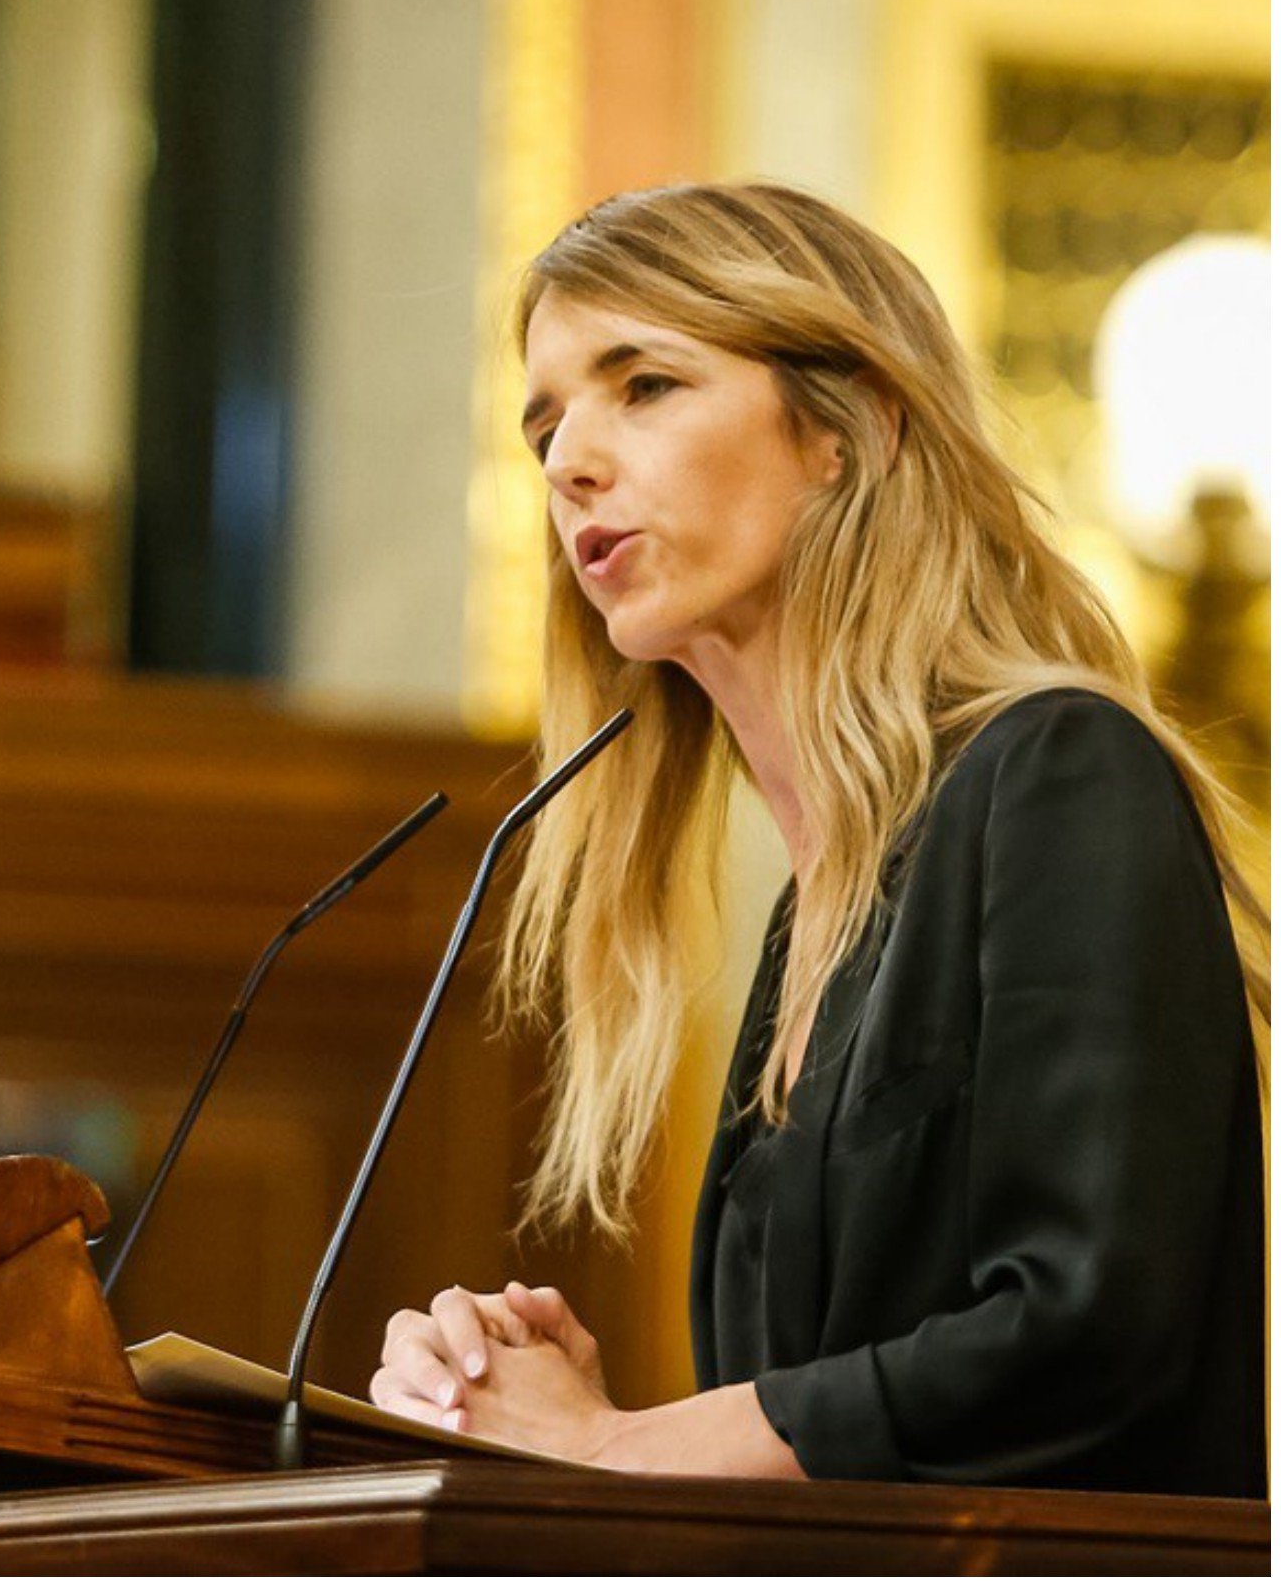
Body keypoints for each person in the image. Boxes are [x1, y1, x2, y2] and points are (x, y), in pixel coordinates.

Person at [369, 182, 1267, 1495]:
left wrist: (621, 1447)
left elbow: (1088, 1333)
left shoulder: (1062, 772)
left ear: (847, 429)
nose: (567, 461)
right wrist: (566, 1415)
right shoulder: (815, 911)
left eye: (647, 384)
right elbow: (860, 1430)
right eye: (547, 420)